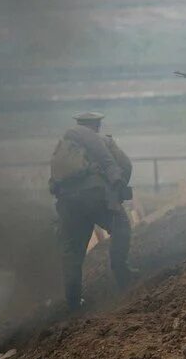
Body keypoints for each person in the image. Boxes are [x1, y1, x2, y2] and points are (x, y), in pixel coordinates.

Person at [48, 112, 134, 310]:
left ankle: (73, 301)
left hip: (67, 203)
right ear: (97, 125)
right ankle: (122, 274)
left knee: (72, 252)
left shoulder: (63, 146)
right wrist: (118, 189)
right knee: (120, 226)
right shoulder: (102, 140)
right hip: (95, 196)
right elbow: (124, 165)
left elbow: (54, 180)